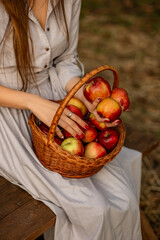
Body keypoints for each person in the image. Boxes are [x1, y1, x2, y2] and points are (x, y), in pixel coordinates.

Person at [0, 0, 142, 239]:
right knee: (90, 209)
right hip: (9, 107)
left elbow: (65, 60)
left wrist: (85, 97)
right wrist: (34, 103)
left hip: (57, 97)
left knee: (123, 197)